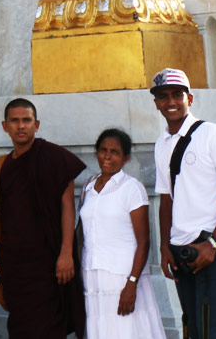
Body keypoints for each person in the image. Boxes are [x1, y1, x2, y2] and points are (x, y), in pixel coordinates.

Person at [152, 68, 216, 339]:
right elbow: (166, 199)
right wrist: (164, 247)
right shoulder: (161, 144)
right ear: (156, 102)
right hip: (179, 249)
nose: (171, 101)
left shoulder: (211, 134)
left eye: (177, 94)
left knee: (211, 332)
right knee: (193, 329)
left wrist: (213, 243)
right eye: (163, 96)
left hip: (211, 249)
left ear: (190, 99)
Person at [0, 98, 85, 339]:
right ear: (5, 126)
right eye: (15, 121)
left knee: (48, 328)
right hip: (15, 264)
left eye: (26, 120)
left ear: (36, 125)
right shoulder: (0, 166)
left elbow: (68, 207)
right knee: (19, 327)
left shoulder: (55, 158)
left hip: (49, 262)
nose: (21, 126)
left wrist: (66, 254)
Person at [79, 129, 164, 339]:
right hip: (92, 275)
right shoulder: (88, 188)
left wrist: (132, 283)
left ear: (125, 158)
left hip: (122, 277)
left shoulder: (132, 188)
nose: (107, 156)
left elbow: (144, 241)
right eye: (103, 150)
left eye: (115, 152)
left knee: (126, 330)